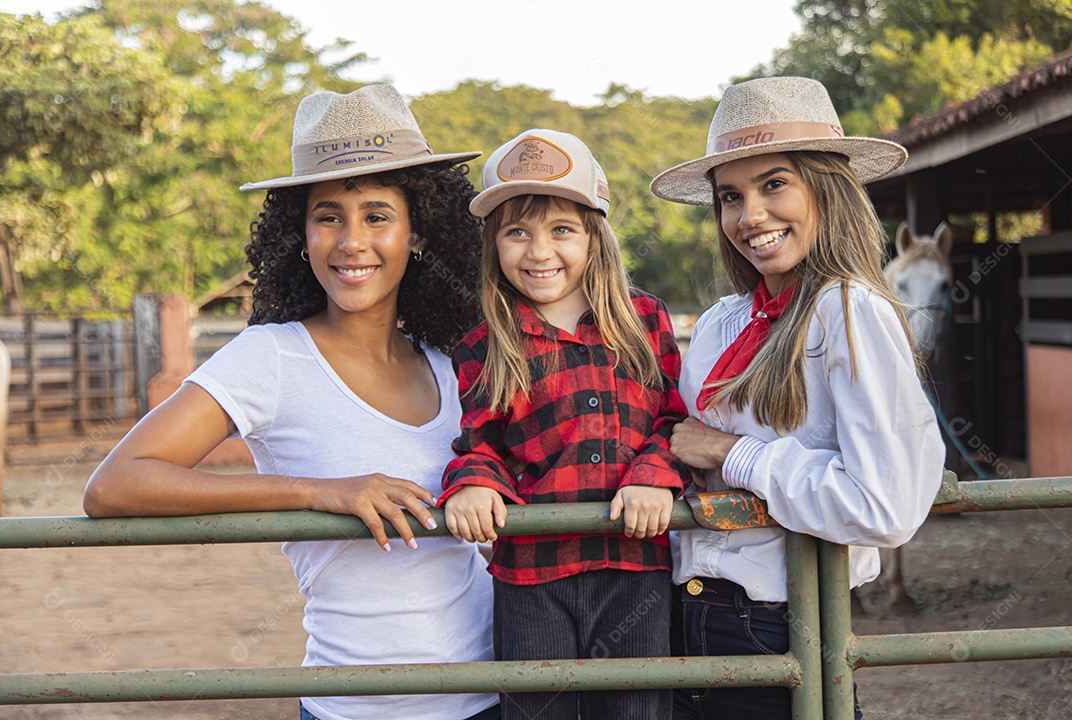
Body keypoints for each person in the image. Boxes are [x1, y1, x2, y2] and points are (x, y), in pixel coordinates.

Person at [83, 85, 499, 720]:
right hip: (356, 709)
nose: (351, 242)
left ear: (419, 234)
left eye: (378, 216)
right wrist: (316, 491)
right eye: (328, 216)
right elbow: (115, 486)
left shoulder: (450, 360)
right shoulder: (272, 358)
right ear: (300, 235)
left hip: (491, 696)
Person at [650, 76, 945, 718]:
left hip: (781, 620)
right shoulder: (723, 321)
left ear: (826, 188)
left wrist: (734, 453)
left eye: (774, 184)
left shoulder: (851, 310)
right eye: (731, 196)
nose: (749, 215)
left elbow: (884, 504)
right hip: (685, 614)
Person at [438, 128, 690, 720]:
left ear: (594, 237)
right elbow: (480, 441)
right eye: (516, 232)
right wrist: (474, 482)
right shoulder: (484, 342)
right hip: (532, 575)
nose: (538, 250)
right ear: (493, 245)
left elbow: (674, 417)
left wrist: (653, 474)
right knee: (537, 710)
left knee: (638, 710)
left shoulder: (643, 319)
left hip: (634, 565)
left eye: (561, 230)